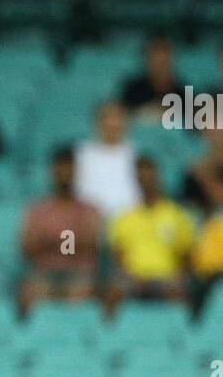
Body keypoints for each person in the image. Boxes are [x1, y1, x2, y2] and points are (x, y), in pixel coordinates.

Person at [16, 145, 102, 315]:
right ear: (52, 171)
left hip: (79, 272)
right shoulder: (37, 209)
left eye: (69, 168)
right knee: (29, 292)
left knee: (79, 294)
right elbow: (27, 247)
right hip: (44, 271)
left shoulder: (90, 208)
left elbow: (90, 243)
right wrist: (71, 238)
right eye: (60, 167)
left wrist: (49, 240)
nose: (65, 173)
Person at [105, 157, 195, 310]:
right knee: (114, 291)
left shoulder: (176, 214)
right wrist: (132, 275)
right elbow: (117, 255)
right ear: (135, 179)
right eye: (141, 176)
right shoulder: (124, 216)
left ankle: (182, 332)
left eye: (149, 175)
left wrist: (176, 275)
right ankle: (109, 333)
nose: (145, 180)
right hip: (134, 277)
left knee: (179, 293)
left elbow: (186, 255)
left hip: (167, 276)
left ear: (157, 176)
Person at [75, 101, 140, 218]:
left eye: (117, 117)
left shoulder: (137, 154)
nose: (112, 123)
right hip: (90, 224)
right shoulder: (81, 154)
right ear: (96, 122)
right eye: (107, 118)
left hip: (131, 224)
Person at [182, 118, 223, 217]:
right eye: (213, 132)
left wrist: (204, 176)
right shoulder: (192, 173)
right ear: (205, 135)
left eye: (222, 131)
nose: (218, 137)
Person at [118, 35, 187, 117]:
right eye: (156, 57)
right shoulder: (132, 90)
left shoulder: (184, 93)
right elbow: (122, 117)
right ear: (146, 59)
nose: (160, 63)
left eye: (164, 57)